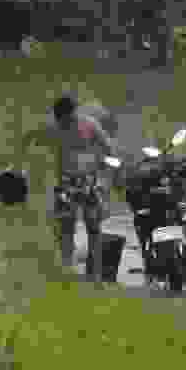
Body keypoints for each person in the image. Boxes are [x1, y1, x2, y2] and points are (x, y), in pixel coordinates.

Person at [48, 92, 111, 266]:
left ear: (74, 112)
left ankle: (95, 263)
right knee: (66, 226)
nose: (65, 122)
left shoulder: (89, 124)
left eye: (68, 117)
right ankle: (66, 263)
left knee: (93, 225)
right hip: (66, 182)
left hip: (89, 181)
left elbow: (107, 147)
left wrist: (104, 175)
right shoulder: (55, 128)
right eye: (61, 119)